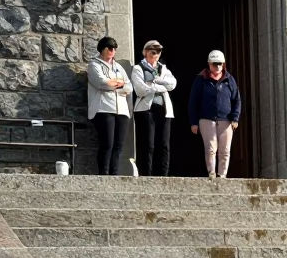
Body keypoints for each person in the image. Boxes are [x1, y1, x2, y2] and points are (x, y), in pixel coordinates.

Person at [188, 50, 241, 179]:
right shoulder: (201, 78)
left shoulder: (229, 79)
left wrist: (235, 118)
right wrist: (193, 122)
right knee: (211, 148)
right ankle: (211, 173)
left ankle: (222, 175)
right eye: (214, 64)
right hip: (206, 119)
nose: (217, 67)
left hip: (226, 119)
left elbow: (236, 99)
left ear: (223, 64)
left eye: (220, 64)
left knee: (225, 150)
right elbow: (193, 101)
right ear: (209, 64)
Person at [130, 39, 177, 176]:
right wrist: (161, 87)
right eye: (153, 51)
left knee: (164, 145)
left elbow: (173, 84)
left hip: (164, 110)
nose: (156, 54)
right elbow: (140, 90)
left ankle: (163, 175)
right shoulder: (138, 68)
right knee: (148, 144)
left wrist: (154, 82)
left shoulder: (163, 68)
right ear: (145, 52)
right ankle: (146, 174)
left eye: (158, 51)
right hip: (146, 110)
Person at [87, 36, 132, 175]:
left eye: (114, 48)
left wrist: (114, 83)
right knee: (107, 144)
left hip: (122, 110)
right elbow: (101, 82)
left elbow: (129, 87)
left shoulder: (118, 67)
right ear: (103, 49)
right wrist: (118, 83)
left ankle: (114, 174)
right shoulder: (94, 65)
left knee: (119, 146)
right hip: (104, 108)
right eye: (110, 48)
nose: (113, 51)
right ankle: (104, 174)